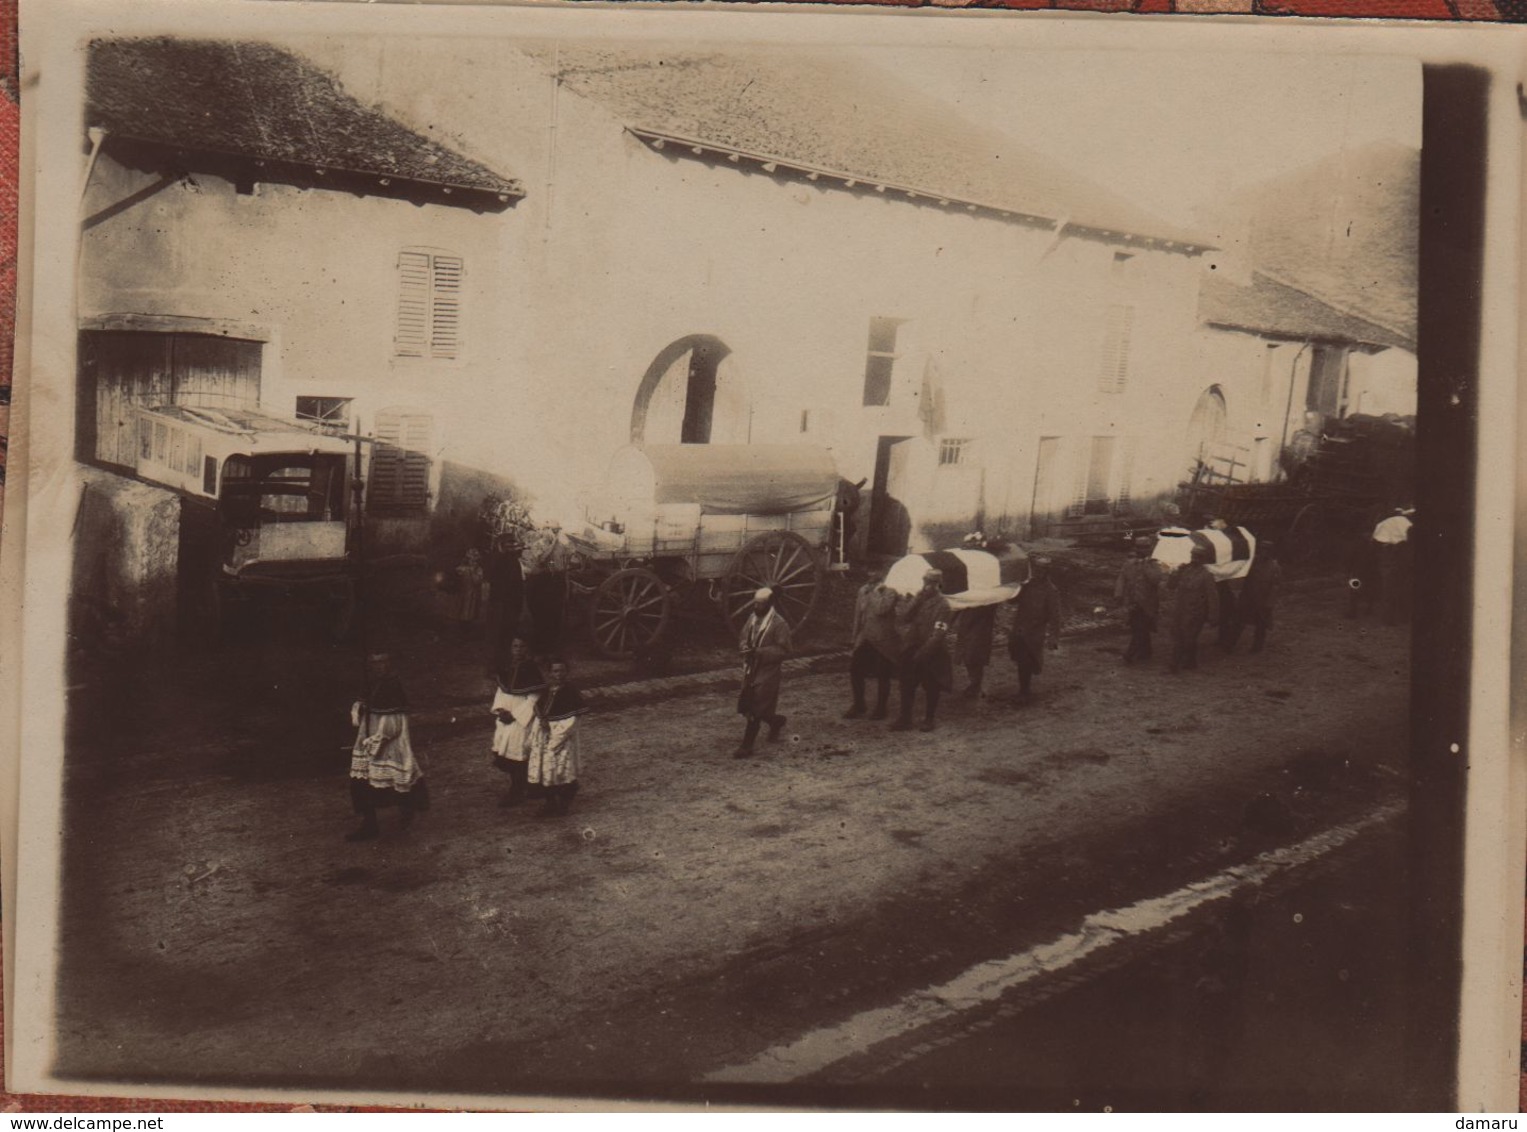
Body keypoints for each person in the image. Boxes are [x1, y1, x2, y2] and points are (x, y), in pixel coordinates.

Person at [347, 652, 429, 842]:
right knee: (362, 780)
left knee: (394, 780)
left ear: (389, 663)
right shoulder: (370, 683)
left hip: (388, 740)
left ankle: (407, 809)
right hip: (367, 735)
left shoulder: (393, 685)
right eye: (374, 662)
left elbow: (394, 722)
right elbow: (361, 704)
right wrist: (358, 709)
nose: (378, 666)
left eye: (382, 662)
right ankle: (369, 824)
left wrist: (378, 740)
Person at [892, 568, 953, 732]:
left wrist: (924, 653)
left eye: (931, 583)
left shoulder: (943, 605)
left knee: (931, 686)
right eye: (925, 582)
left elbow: (938, 633)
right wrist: (916, 600)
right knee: (906, 684)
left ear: (938, 585)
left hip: (931, 651)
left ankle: (929, 719)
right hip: (912, 647)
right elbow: (903, 618)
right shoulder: (920, 600)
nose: (927, 586)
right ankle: (905, 719)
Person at [489, 636, 545, 808]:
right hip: (505, 713)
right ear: (510, 648)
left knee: (519, 752)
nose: (518, 649)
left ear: (527, 649)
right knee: (505, 750)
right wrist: (500, 710)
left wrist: (515, 716)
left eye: (522, 646)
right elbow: (501, 691)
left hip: (521, 717)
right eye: (515, 646)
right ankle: (521, 786)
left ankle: (518, 790)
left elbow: (534, 697)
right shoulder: (506, 667)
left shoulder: (531, 669)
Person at [735, 587, 792, 757]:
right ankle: (776, 721)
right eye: (755, 604)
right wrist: (745, 646)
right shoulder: (753, 618)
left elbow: (784, 650)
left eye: (761, 605)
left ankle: (747, 746)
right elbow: (744, 636)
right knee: (752, 704)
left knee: (755, 705)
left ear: (769, 604)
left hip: (768, 670)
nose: (756, 608)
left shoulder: (779, 624)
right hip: (751, 669)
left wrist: (759, 652)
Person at [527, 657, 586, 816]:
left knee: (561, 770)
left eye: (562, 671)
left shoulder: (570, 692)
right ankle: (550, 803)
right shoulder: (548, 690)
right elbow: (540, 710)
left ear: (567, 672)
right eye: (555, 671)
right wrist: (541, 726)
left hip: (561, 736)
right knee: (545, 771)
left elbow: (572, 720)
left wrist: (556, 739)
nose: (558, 674)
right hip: (544, 735)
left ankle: (564, 803)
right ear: (549, 673)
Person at [1006, 556, 1061, 702]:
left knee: (1027, 661)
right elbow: (1012, 600)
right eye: (1037, 569)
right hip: (1019, 630)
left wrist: (1053, 637)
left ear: (1047, 571)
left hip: (1034, 633)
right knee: (1020, 660)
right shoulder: (1027, 585)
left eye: (1043, 570)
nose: (1039, 572)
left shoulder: (1051, 591)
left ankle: (1025, 691)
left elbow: (1055, 616)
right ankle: (1024, 689)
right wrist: (1012, 588)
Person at [845, 569, 897, 720]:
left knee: (883, 674)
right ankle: (859, 704)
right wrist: (854, 637)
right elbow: (858, 615)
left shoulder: (890, 592)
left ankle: (881, 708)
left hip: (883, 640)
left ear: (883, 575)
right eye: (869, 573)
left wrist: (876, 592)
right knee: (855, 670)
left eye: (874, 573)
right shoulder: (863, 590)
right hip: (865, 638)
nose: (870, 576)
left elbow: (881, 610)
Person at [522, 520, 571, 655]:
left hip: (555, 582)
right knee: (540, 618)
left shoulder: (561, 545)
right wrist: (554, 544)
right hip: (540, 584)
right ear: (544, 530)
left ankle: (551, 650)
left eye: (557, 531)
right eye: (551, 530)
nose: (554, 533)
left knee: (554, 618)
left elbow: (564, 564)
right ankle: (539, 650)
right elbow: (542, 559)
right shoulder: (538, 545)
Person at [1168, 547, 1218, 673]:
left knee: (1186, 637)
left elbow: (1212, 597)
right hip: (1181, 610)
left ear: (1203, 559)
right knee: (1182, 636)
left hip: (1196, 612)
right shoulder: (1185, 571)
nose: (1195, 558)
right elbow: (1171, 586)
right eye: (1193, 555)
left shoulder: (1207, 575)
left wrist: (1213, 615)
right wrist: (1175, 573)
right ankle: (1191, 662)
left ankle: (1174, 665)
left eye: (1198, 556)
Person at [1115, 536, 1163, 663]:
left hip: (1148, 603)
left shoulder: (1154, 564)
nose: (1142, 550)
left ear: (1150, 549)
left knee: (1140, 628)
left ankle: (1130, 654)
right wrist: (1118, 595)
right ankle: (1146, 652)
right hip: (1133, 602)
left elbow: (1156, 580)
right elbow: (1122, 578)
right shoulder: (1129, 563)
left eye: (1145, 547)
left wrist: (1146, 565)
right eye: (1139, 547)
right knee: (1138, 627)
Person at [1235, 539, 1284, 654]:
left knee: (1261, 625)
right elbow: (1244, 578)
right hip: (1248, 598)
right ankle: (1229, 644)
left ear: (1271, 552)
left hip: (1263, 600)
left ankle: (1257, 647)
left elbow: (1275, 587)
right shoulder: (1252, 563)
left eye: (1267, 550)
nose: (1264, 553)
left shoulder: (1274, 567)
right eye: (1262, 550)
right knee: (1238, 622)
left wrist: (1269, 603)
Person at [485, 531, 526, 661]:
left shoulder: (511, 559)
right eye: (510, 544)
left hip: (510, 603)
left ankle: (503, 663)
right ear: (501, 545)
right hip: (502, 603)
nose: (514, 547)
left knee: (506, 634)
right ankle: (495, 665)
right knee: (499, 635)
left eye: (514, 544)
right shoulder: (499, 559)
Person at [1371, 506, 1414, 626]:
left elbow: (1375, 539)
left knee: (1388, 588)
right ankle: (1403, 617)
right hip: (1402, 554)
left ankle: (1388, 618)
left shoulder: (1382, 523)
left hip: (1387, 554)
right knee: (1403, 587)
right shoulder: (1407, 523)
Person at [453, 548, 485, 638]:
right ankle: (461, 630)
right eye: (470, 559)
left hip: (472, 594)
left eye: (474, 560)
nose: (472, 562)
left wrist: (473, 571)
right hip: (463, 593)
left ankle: (467, 631)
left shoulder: (478, 570)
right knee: (462, 610)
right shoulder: (462, 568)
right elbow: (456, 578)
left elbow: (477, 581)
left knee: (469, 612)